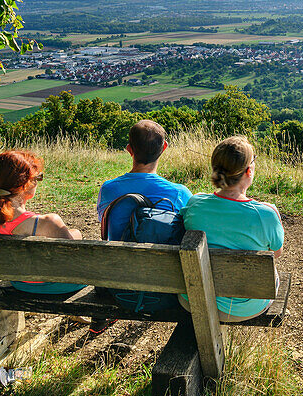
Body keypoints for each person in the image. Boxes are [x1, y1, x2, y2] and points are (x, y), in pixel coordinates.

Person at [179, 136, 284, 322]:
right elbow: (276, 253)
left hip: (192, 300)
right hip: (244, 308)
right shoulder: (266, 214)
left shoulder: (195, 203)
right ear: (249, 171)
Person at [0, 150, 85, 294]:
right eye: (37, 178)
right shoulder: (48, 223)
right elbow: (73, 262)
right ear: (25, 184)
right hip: (59, 288)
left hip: (20, 283)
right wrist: (77, 235)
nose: (37, 183)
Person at [97, 120, 193, 237]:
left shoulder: (108, 189)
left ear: (129, 149)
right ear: (164, 148)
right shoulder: (179, 193)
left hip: (117, 255)